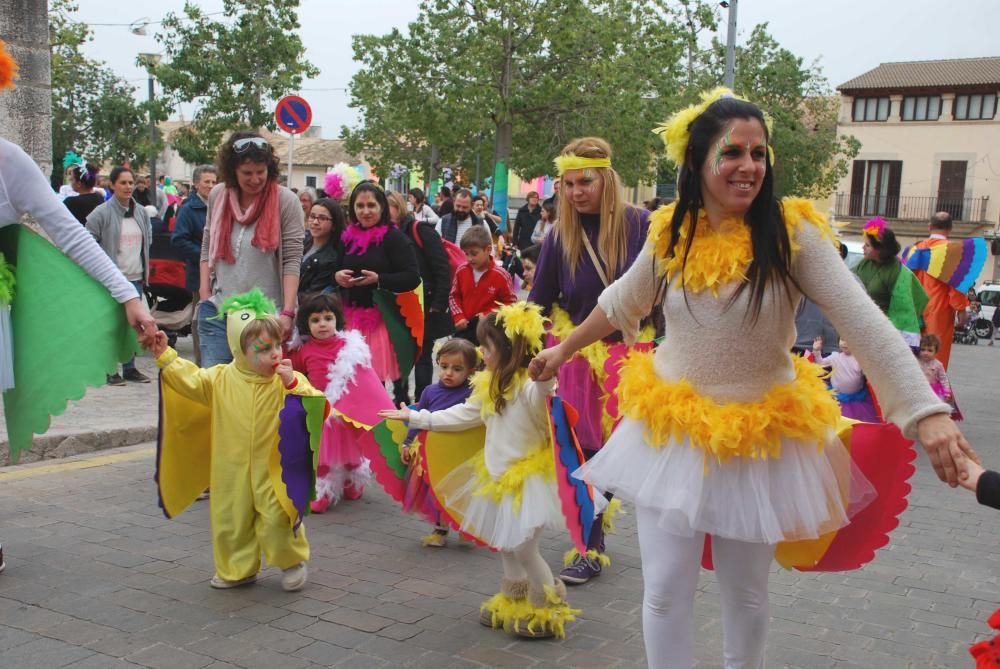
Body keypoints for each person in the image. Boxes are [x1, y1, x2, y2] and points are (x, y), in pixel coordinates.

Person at [529, 88, 976, 669]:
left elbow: (864, 324)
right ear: (698, 162)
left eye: (759, 153)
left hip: (758, 439)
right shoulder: (670, 232)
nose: (749, 166)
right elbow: (621, 303)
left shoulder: (794, 235)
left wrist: (926, 411)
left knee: (747, 593)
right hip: (672, 434)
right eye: (733, 152)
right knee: (664, 592)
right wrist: (563, 349)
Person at [379, 304, 580, 639]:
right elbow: (460, 416)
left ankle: (548, 606)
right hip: (497, 479)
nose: (481, 352)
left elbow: (545, 393)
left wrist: (546, 375)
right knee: (505, 545)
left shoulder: (530, 389)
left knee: (525, 549)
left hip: (528, 483)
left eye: (487, 347)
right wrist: (417, 418)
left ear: (509, 349)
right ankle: (513, 599)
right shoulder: (489, 388)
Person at [528, 136, 653, 584]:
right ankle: (591, 544)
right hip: (579, 359)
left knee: (623, 456)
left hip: (634, 358)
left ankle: (608, 539)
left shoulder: (642, 226)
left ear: (607, 180)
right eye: (568, 184)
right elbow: (539, 300)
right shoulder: (560, 235)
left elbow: (660, 295)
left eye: (586, 182)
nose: (577, 192)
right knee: (587, 454)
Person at [150, 290, 321, 591]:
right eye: (264, 348)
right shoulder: (220, 378)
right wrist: (167, 357)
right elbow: (189, 379)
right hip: (230, 468)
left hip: (274, 469)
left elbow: (314, 404)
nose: (275, 354)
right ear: (240, 350)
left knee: (278, 516)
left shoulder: (285, 380)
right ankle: (237, 569)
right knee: (231, 520)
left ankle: (290, 560)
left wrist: (293, 383)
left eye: (278, 345)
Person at [198, 132, 304, 367]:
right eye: (247, 173)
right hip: (219, 310)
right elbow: (207, 244)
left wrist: (287, 313)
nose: (255, 179)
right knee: (217, 386)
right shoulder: (218, 195)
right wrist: (205, 292)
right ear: (232, 171)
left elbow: (292, 261)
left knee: (258, 393)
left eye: (261, 172)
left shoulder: (286, 201)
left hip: (265, 317)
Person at [288, 293, 393, 511]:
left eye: (328, 318)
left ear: (337, 320)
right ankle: (323, 491)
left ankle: (351, 480)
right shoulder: (305, 351)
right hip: (320, 410)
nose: (322, 324)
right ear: (306, 325)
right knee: (322, 455)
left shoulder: (349, 346)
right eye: (315, 321)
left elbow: (366, 380)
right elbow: (291, 368)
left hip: (346, 411)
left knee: (351, 451)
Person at [333, 182, 421, 383]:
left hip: (379, 321)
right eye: (360, 206)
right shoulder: (347, 238)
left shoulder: (394, 238)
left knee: (372, 383)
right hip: (349, 320)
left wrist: (380, 280)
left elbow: (412, 277)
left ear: (382, 207)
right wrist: (337, 278)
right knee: (349, 383)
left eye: (371, 205)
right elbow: (335, 269)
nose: (365, 211)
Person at [398, 338, 477, 547]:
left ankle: (464, 526)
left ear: (470, 371)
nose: (448, 373)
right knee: (438, 491)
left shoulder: (472, 393)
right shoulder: (430, 392)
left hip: (461, 453)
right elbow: (417, 419)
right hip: (432, 452)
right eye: (444, 366)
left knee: (460, 491)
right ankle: (440, 529)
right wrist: (407, 443)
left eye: (457, 368)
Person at [86, 166, 154, 385]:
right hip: (113, 278)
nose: (128, 187)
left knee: (133, 324)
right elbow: (88, 241)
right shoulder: (101, 213)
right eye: (123, 183)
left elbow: (148, 239)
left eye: (130, 183)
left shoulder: (141, 212)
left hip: (136, 277)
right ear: (112, 185)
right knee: (112, 325)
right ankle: (109, 368)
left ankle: (130, 367)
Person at [388, 190, 453, 404]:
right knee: (400, 355)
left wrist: (439, 303)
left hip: (425, 303)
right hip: (396, 304)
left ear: (399, 207)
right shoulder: (384, 235)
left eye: (390, 205)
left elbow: (442, 267)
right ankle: (401, 401)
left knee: (423, 355)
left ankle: (423, 402)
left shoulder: (419, 230)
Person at [853, 217, 927, 350]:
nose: (863, 247)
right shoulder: (863, 264)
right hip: (862, 326)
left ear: (880, 249)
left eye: (867, 245)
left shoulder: (899, 272)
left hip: (885, 331)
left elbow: (907, 307)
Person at [909, 212, 970, 368]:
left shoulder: (916, 248)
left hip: (915, 309)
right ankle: (936, 389)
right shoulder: (952, 251)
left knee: (913, 352)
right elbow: (956, 284)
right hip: (939, 309)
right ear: (950, 228)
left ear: (929, 226)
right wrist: (961, 309)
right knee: (936, 354)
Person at [449, 225, 516, 345]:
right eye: (466, 253)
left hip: (490, 333)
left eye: (474, 254)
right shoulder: (461, 270)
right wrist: (458, 315)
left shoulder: (501, 275)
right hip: (465, 330)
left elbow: (511, 305)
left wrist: (489, 314)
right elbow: (454, 296)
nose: (469, 258)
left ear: (488, 249)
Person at [172, 165, 217, 298]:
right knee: (200, 314)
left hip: (220, 276)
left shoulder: (220, 207)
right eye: (207, 182)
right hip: (198, 275)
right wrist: (204, 256)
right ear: (196, 184)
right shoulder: (188, 209)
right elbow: (178, 240)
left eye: (214, 182)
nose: (211, 186)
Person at [812, 336, 879, 422]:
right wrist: (816, 351)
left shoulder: (859, 360)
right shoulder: (835, 357)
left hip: (855, 398)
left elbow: (870, 374)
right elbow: (820, 362)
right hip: (835, 396)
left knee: (853, 421)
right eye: (842, 339)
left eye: (849, 340)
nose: (845, 343)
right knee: (833, 418)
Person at [299, 197, 344, 296]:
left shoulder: (330, 259)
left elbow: (311, 296)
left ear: (334, 225)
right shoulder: (302, 241)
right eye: (312, 216)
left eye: (322, 218)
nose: (315, 222)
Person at [918, 333, 962, 420]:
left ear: (936, 351)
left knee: (935, 409)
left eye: (930, 350)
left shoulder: (938, 365)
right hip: (920, 390)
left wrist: (946, 391)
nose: (926, 353)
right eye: (923, 349)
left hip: (934, 391)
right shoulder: (916, 361)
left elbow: (943, 379)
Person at [63, 159, 105, 225]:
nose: (71, 182)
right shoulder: (100, 198)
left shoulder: (71, 202)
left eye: (72, 179)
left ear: (79, 184)